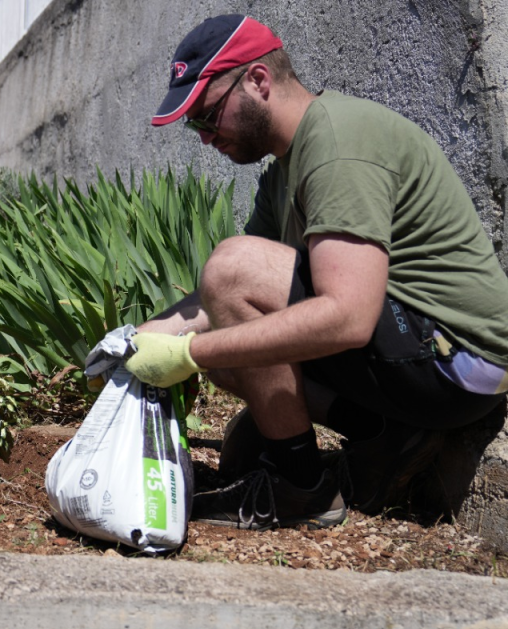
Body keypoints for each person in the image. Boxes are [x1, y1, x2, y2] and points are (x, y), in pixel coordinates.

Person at [129, 15, 508, 530]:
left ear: (258, 80)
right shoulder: (282, 173)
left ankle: (301, 492)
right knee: (231, 351)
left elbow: (346, 317)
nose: (204, 138)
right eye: (195, 125)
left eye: (208, 115)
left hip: (459, 361)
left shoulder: (337, 142)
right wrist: (138, 341)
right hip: (419, 349)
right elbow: (226, 300)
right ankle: (381, 433)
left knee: (231, 281)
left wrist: (189, 353)